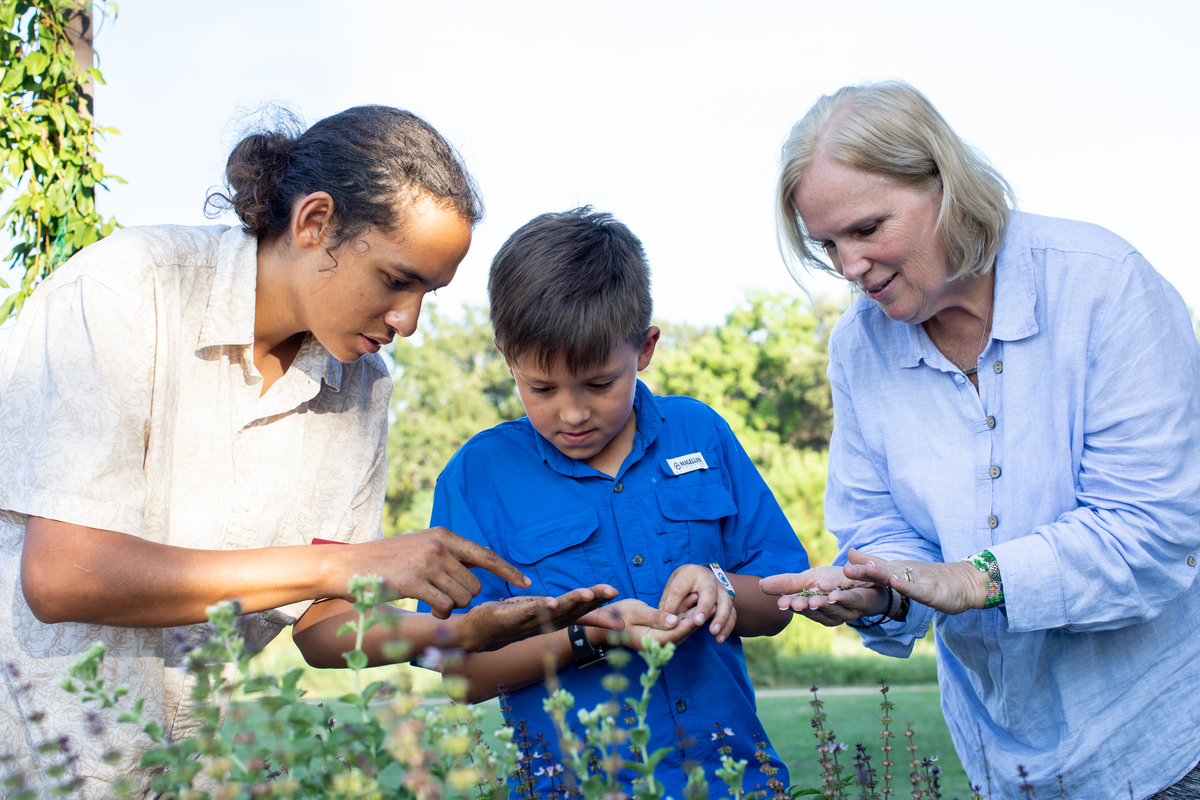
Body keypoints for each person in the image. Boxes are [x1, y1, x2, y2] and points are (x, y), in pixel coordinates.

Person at [0, 106, 619, 799]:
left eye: (428, 294)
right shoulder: (126, 291)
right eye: (396, 279)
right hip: (27, 760)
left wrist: (454, 636)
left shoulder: (361, 387)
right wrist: (346, 563)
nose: (409, 321)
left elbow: (323, 627)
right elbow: (64, 577)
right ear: (315, 222)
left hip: (174, 774)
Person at [760, 80, 1200, 800]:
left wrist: (976, 578)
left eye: (868, 229)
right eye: (827, 244)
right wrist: (877, 591)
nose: (848, 269)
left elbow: (1151, 533)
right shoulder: (857, 347)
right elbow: (884, 525)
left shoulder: (1105, 286)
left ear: (947, 185)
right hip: (1004, 761)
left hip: (1164, 740)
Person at [422, 207, 810, 799]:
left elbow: (787, 595)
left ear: (646, 347)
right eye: (542, 387)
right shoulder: (479, 476)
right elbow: (461, 673)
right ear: (507, 358)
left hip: (735, 780)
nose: (572, 412)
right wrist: (588, 638)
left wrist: (722, 584)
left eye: (600, 384)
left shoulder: (699, 431)